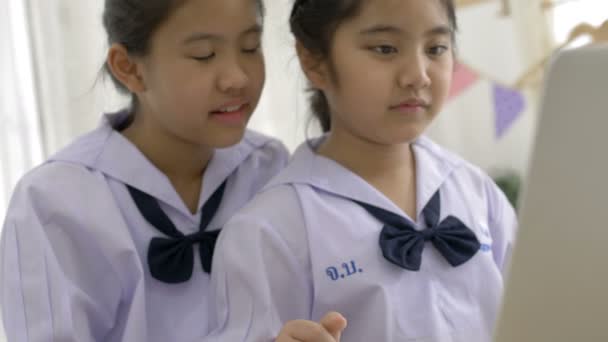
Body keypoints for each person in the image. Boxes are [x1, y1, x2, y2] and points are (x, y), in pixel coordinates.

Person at [207, 0, 518, 341]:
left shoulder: (477, 190)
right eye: (385, 48)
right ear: (314, 60)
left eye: (436, 48)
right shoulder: (269, 230)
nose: (417, 75)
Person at [0, 0, 289, 340]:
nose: (237, 78)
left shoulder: (269, 166)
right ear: (130, 69)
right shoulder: (55, 201)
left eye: (250, 47)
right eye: (204, 54)